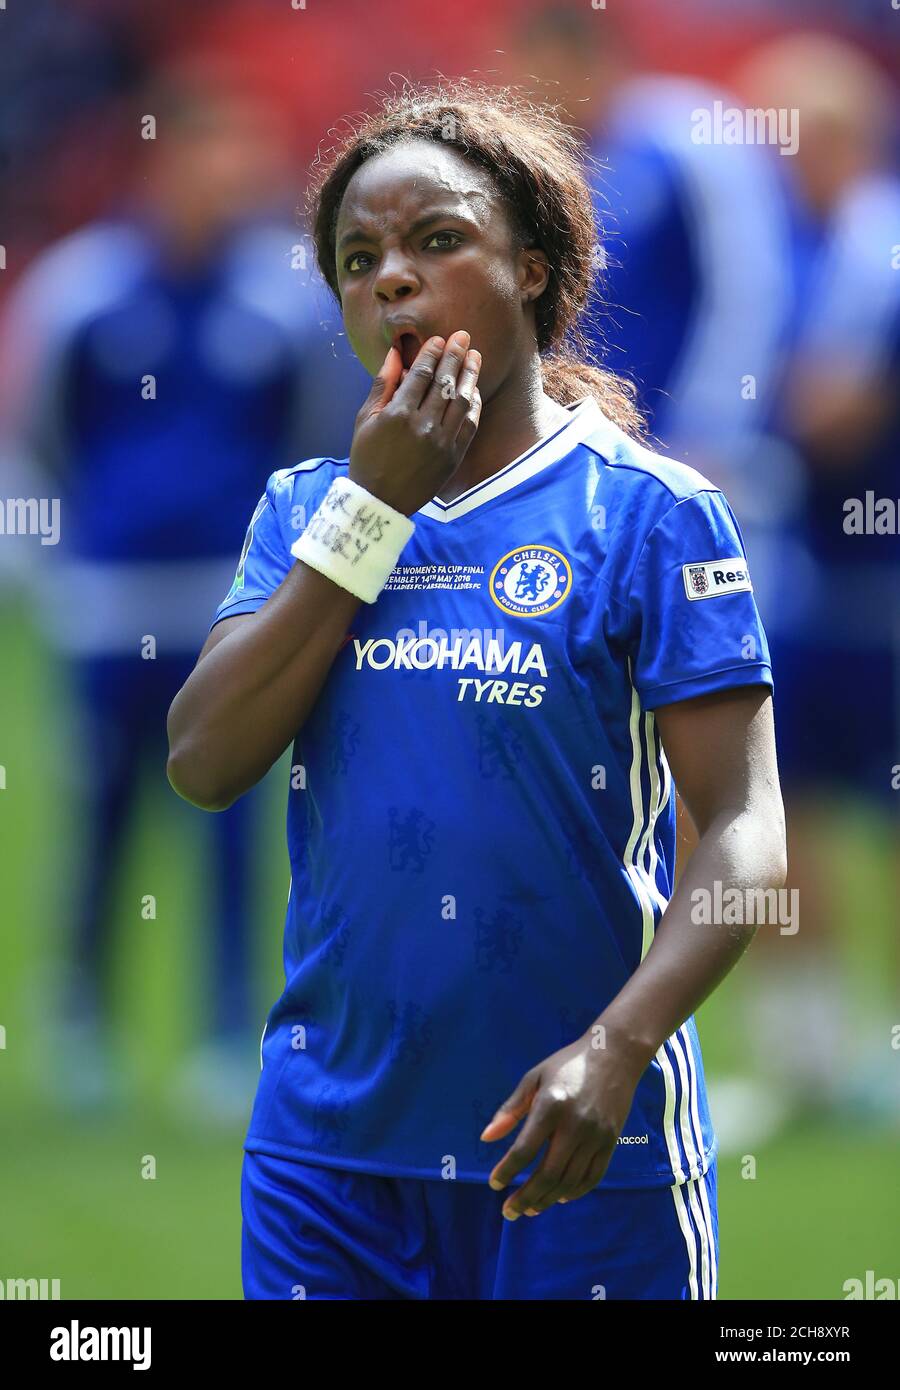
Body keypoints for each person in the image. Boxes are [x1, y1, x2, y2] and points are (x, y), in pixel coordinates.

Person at [167, 79, 786, 1301]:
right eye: (358, 259)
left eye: (437, 240)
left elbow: (748, 831)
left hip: (576, 1147)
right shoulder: (306, 509)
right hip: (327, 1159)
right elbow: (204, 758)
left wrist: (618, 1051)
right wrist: (373, 508)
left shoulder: (650, 513)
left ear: (538, 271)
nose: (391, 277)